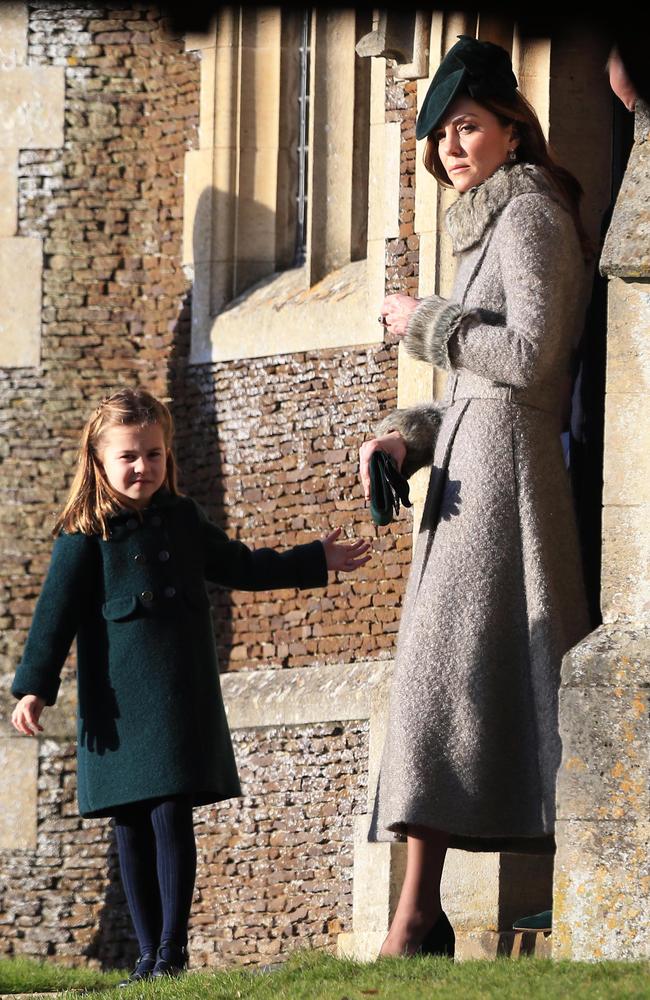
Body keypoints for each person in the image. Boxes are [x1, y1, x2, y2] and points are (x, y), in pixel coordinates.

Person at [11, 387, 371, 983]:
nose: (142, 467)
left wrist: (314, 559)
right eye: (128, 456)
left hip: (177, 696)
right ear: (98, 462)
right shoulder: (83, 536)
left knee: (171, 812)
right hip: (118, 707)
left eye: (153, 454)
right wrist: (34, 690)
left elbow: (241, 566)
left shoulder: (183, 519)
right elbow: (55, 619)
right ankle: (147, 955)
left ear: (167, 454)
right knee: (128, 823)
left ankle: (172, 954)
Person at [360, 36, 593, 957]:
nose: (452, 148)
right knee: (444, 689)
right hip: (467, 478)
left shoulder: (532, 214)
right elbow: (471, 378)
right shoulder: (481, 225)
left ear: (510, 129)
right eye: (441, 137)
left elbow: (531, 359)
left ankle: (417, 917)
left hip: (508, 487)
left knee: (443, 687)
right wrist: (403, 438)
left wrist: (424, 322)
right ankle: (421, 914)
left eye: (467, 127)